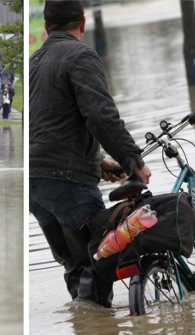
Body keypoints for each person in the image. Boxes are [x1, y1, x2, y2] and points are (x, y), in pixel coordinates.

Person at [29, 0, 151, 308]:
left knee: (74, 265)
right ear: (82, 23)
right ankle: (94, 321)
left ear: (46, 28)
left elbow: (45, 125)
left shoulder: (34, 61)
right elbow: (101, 116)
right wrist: (133, 161)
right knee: (98, 267)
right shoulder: (81, 56)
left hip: (33, 185)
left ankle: (82, 322)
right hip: (67, 184)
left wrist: (96, 163)